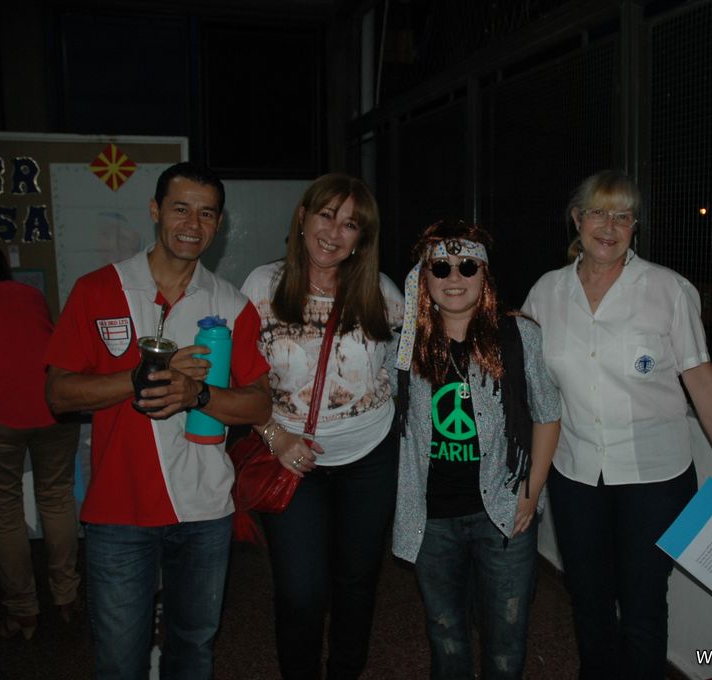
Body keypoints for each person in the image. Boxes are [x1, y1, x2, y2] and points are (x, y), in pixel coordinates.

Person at [523, 170, 712, 680]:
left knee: (643, 603)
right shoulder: (546, 292)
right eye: (598, 212)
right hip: (575, 473)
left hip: (656, 477)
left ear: (635, 227)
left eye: (623, 215)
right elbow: (524, 377)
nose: (609, 226)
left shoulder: (668, 289)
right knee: (587, 597)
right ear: (577, 219)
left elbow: (699, 377)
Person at [44, 162, 272, 680]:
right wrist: (140, 377)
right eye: (181, 209)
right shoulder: (99, 290)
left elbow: (259, 406)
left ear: (219, 225)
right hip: (119, 507)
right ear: (155, 211)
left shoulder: (231, 305)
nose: (193, 224)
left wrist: (198, 394)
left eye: (206, 214)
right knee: (120, 659)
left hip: (204, 509)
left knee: (193, 650)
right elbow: (58, 395)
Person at [240, 173, 403, 680]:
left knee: (357, 582)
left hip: (370, 458)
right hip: (290, 458)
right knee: (301, 590)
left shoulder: (383, 294)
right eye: (326, 215)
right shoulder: (261, 287)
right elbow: (241, 380)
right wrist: (275, 437)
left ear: (362, 238)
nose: (333, 232)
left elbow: (395, 372)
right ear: (303, 217)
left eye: (350, 224)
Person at [392, 219, 561, 679]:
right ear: (423, 278)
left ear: (484, 275)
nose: (454, 277)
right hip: (430, 517)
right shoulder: (404, 344)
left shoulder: (519, 336)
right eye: (440, 267)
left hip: (504, 511)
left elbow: (548, 415)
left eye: (467, 266)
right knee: (445, 636)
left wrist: (531, 492)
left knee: (507, 638)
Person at [0, 240, 81, 640]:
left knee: (3, 511)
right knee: (57, 497)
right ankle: (67, 597)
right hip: (56, 405)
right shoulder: (30, 294)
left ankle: (23, 612)